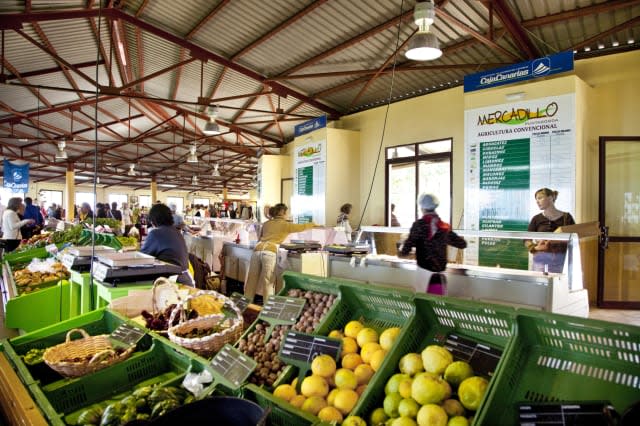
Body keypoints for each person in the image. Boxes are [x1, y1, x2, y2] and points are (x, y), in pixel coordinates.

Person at [245, 203, 316, 302]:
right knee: (268, 282)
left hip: (257, 250)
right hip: (269, 251)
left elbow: (259, 238)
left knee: (251, 280)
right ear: (282, 212)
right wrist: (313, 224)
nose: (287, 214)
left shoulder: (266, 223)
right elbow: (302, 227)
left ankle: (246, 305)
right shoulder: (286, 225)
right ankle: (267, 309)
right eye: (287, 212)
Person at [400, 193, 467, 295]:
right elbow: (462, 244)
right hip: (440, 276)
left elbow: (405, 250)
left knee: (424, 305)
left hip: (424, 274)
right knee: (438, 307)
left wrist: (402, 250)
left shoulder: (419, 225)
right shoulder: (443, 226)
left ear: (422, 208)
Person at [140, 203, 193, 286]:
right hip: (187, 279)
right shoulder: (176, 231)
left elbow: (142, 258)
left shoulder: (156, 233)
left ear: (153, 220)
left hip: (172, 282)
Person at [525, 188, 576, 273]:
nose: (537, 201)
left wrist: (557, 242)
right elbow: (526, 239)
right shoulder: (536, 219)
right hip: (540, 260)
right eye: (536, 199)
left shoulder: (567, 217)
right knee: (540, 284)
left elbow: (574, 237)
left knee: (559, 284)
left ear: (550, 198)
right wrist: (534, 248)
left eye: (540, 198)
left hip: (561, 260)